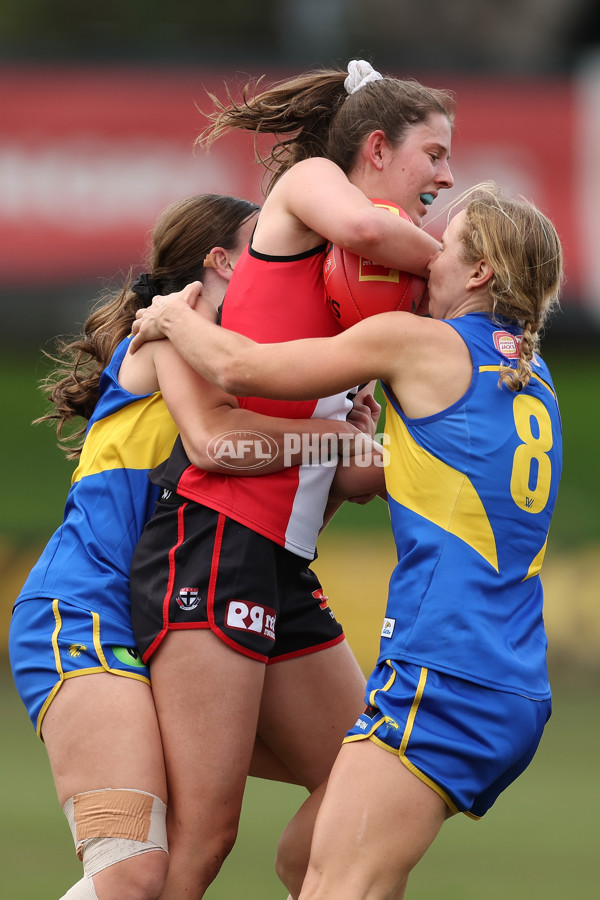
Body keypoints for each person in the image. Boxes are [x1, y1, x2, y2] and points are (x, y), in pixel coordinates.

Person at [130, 182, 563, 899]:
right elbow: (420, 480)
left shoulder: (420, 344)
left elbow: (239, 369)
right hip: (505, 678)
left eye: (442, 251)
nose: (424, 266)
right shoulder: (530, 375)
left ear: (479, 273)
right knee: (303, 864)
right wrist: (352, 445)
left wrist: (176, 317)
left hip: (444, 672)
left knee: (338, 884)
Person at [127, 59, 456, 899]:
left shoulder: (375, 289)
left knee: (357, 790)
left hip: (281, 561)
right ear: (376, 148)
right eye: (435, 154)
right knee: (202, 839)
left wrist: (396, 459)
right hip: (214, 536)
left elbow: (342, 480)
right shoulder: (318, 186)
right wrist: (464, 279)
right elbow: (378, 234)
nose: (447, 177)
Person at [8, 192, 369, 900]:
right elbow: (217, 444)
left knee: (366, 780)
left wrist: (337, 459)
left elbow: (266, 525)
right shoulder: (176, 335)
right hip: (84, 613)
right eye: (267, 248)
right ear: (223, 261)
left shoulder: (252, 371)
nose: (287, 265)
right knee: (135, 869)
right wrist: (342, 436)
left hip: (174, 611)